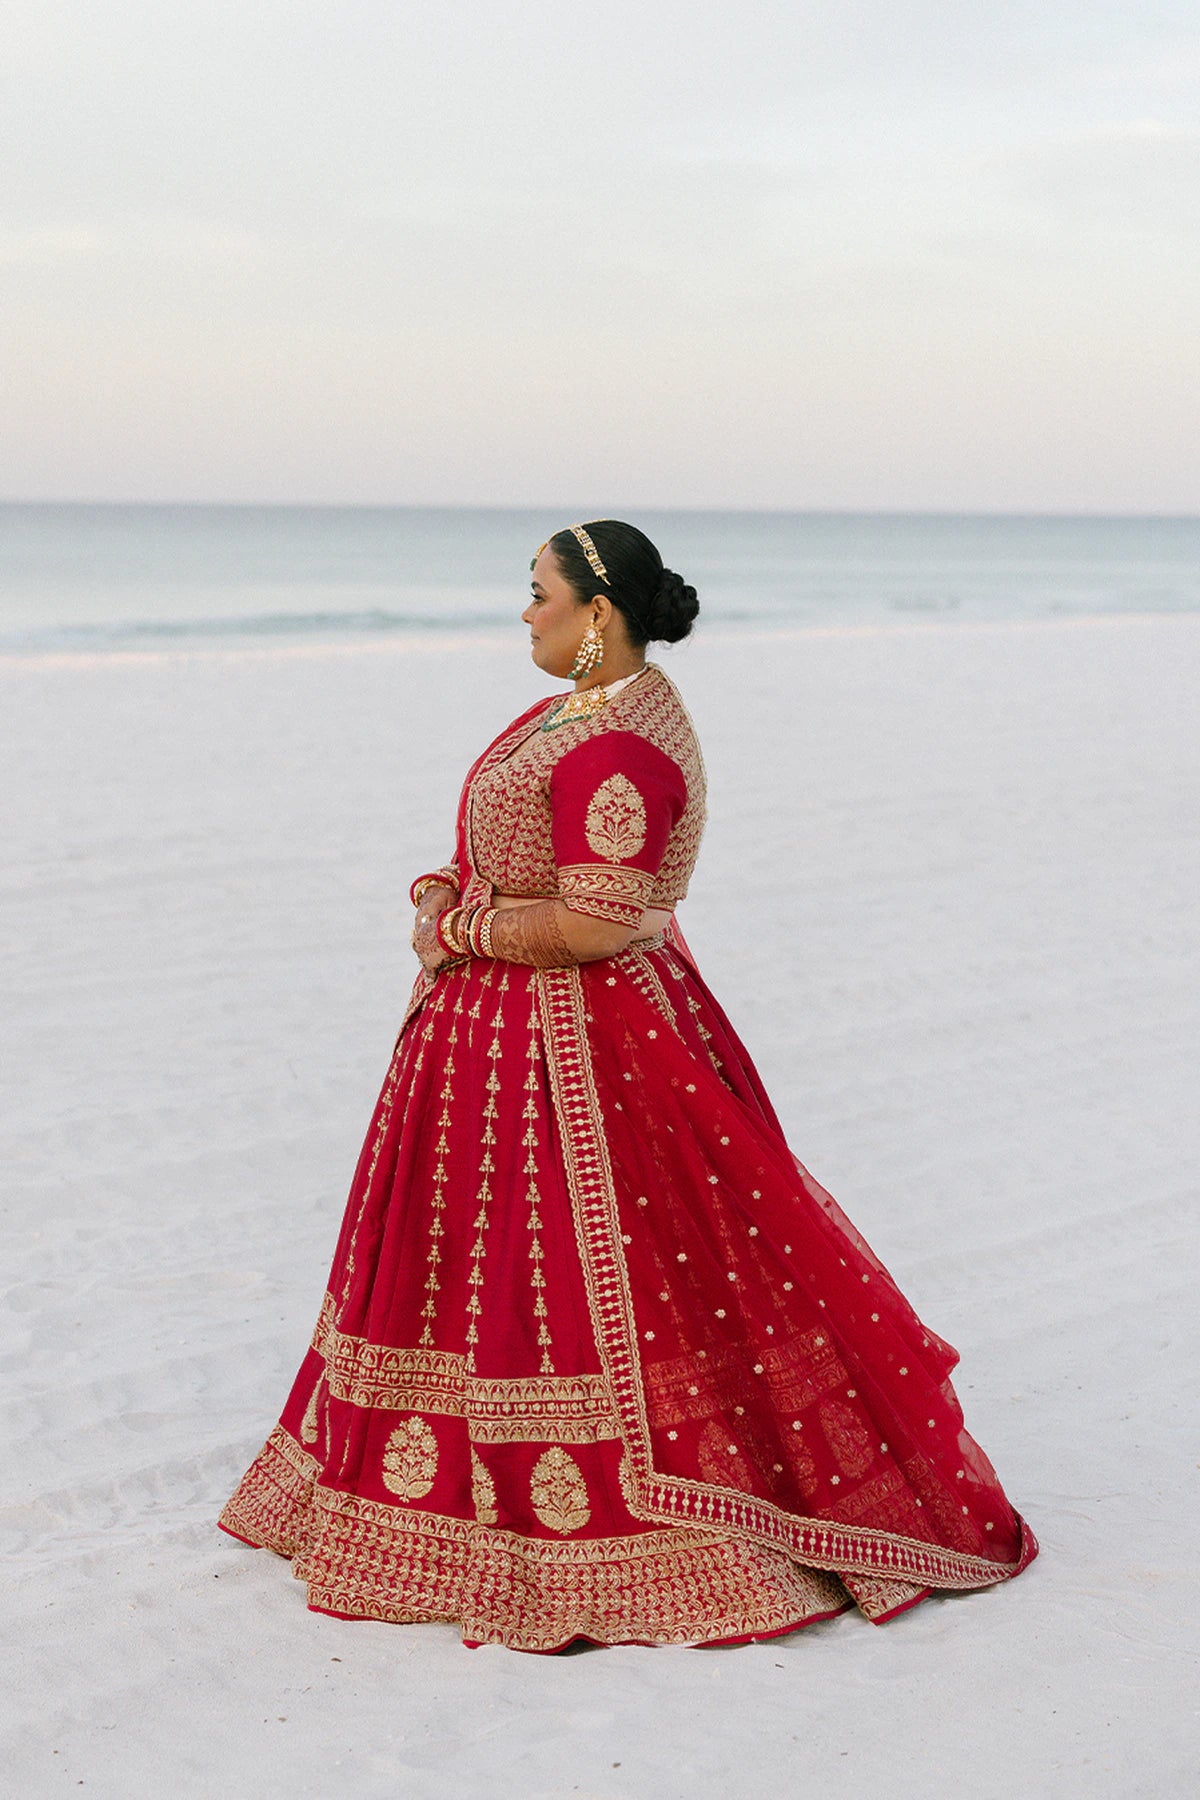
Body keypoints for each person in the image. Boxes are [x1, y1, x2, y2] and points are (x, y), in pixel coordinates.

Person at [220, 519, 1037, 1650]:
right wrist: (446, 891)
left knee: (580, 1262)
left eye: (539, 593)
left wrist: (460, 923)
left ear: (597, 613)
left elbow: (599, 923)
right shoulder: (574, 711)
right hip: (494, 1032)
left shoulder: (622, 748)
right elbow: (517, 847)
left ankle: (626, 1521)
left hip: (575, 1045)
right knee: (476, 1257)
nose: (526, 613)